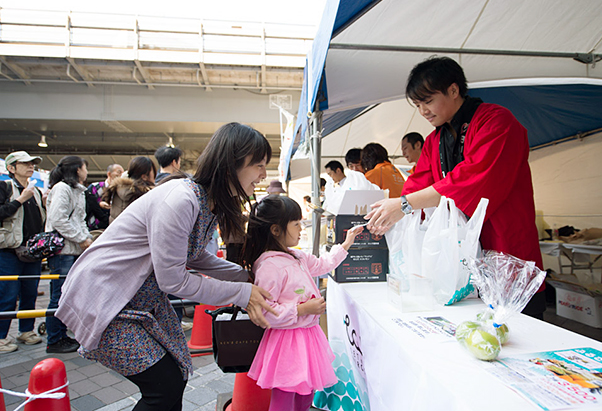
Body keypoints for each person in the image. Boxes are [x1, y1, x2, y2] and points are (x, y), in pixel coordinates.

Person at [56, 123, 278, 411]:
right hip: (108, 301)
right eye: (258, 165)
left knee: (173, 380)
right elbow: (173, 280)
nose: (263, 174)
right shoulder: (182, 200)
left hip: (138, 302)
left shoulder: (206, 201)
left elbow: (193, 255)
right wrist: (242, 292)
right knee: (164, 386)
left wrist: (244, 275)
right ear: (229, 166)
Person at [365, 56, 545, 318]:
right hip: (460, 257)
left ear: (453, 90)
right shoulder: (434, 140)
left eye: (428, 101)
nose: (423, 111)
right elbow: (417, 185)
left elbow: (471, 180)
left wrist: (404, 205)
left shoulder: (496, 121)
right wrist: (390, 215)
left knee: (516, 332)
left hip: (505, 245)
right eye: (418, 105)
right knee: (469, 330)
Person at [242, 195, 362, 411]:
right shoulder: (270, 267)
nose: (301, 229)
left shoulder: (296, 256)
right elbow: (265, 312)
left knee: (305, 395)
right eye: (296, 224)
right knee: (285, 397)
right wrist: (302, 309)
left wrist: (346, 244)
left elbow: (324, 264)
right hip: (286, 342)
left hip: (308, 336)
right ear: (276, 230)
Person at [45, 155, 93, 353]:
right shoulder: (62, 189)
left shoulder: (78, 191)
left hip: (74, 249)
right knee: (59, 295)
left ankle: (63, 335)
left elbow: (80, 220)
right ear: (77, 170)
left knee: (70, 294)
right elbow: (58, 220)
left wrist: (86, 239)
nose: (86, 171)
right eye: (84, 167)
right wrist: (81, 239)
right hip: (62, 250)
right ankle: (55, 339)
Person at [0, 151, 46, 353]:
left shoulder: (34, 190)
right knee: (7, 295)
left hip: (32, 251)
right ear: (11, 167)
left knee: (29, 293)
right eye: (25, 163)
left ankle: (26, 331)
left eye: (32, 164)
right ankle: (1, 337)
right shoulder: (5, 187)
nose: (30, 167)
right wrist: (19, 200)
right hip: (9, 250)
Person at [102, 156, 156, 224]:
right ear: (144, 176)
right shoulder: (145, 194)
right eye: (153, 171)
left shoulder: (119, 189)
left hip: (116, 232)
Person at [85, 163, 124, 230]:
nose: (120, 176)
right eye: (118, 173)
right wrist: (99, 205)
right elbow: (86, 205)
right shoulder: (95, 187)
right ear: (109, 174)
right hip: (94, 228)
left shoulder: (122, 191)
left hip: (113, 228)